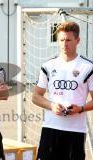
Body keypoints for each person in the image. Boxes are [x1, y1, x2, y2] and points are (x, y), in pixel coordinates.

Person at [32, 21, 93, 160]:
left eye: (69, 40)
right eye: (61, 40)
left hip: (75, 131)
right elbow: (36, 96)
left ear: (78, 41)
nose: (64, 44)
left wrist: (81, 108)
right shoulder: (48, 65)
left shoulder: (88, 67)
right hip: (50, 129)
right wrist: (51, 105)